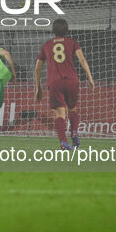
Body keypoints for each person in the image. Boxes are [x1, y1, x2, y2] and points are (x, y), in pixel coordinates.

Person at [35, 19, 94, 150]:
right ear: (67, 30)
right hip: (72, 80)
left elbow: (37, 68)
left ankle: (63, 142)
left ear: (53, 31)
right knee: (72, 108)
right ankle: (74, 132)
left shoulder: (47, 45)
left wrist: (38, 87)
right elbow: (82, 60)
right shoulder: (72, 43)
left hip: (55, 82)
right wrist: (90, 77)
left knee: (59, 113)